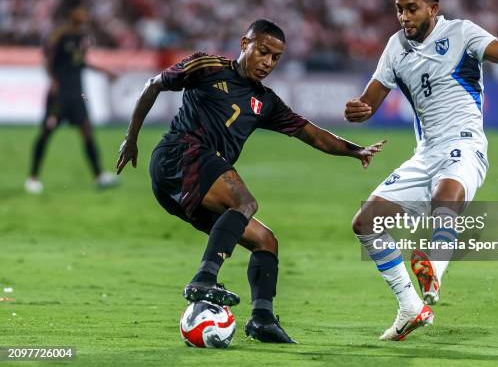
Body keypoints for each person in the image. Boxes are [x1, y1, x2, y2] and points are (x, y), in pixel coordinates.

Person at [116, 19, 386, 344]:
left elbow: (311, 133)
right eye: (263, 52)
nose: (268, 63)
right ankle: (204, 278)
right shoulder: (208, 66)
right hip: (179, 155)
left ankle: (262, 319)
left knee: (265, 241)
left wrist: (355, 150)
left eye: (275, 58)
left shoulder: (265, 101)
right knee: (244, 203)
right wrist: (131, 139)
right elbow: (154, 85)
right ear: (245, 45)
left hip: (199, 181)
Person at [345, 0, 498, 341]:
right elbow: (370, 100)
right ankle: (410, 306)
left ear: (433, 9)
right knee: (365, 223)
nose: (403, 17)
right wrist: (359, 110)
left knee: (447, 195)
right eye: (398, 9)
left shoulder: (461, 33)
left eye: (411, 9)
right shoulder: (395, 47)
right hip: (424, 155)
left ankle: (434, 266)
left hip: (465, 143)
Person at [25, 6, 119, 194]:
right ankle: (33, 178)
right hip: (59, 94)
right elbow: (46, 59)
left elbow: (80, 63)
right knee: (47, 131)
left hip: (77, 94)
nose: (84, 26)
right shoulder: (60, 36)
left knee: (87, 131)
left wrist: (104, 71)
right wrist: (52, 81)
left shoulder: (82, 39)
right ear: (75, 21)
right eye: (82, 22)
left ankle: (99, 176)